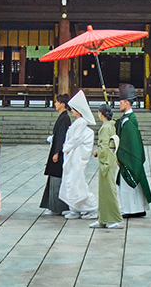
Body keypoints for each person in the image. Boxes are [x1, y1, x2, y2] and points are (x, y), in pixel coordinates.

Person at [114, 84, 151, 218]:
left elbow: (127, 143)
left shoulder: (129, 121)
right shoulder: (127, 119)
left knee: (127, 185)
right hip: (130, 157)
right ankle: (138, 208)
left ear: (126, 102)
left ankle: (130, 209)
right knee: (131, 185)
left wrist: (121, 156)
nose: (119, 104)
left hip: (128, 157)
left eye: (120, 102)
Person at [59, 91, 98, 219]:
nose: (72, 111)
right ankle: (75, 208)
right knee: (71, 182)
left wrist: (67, 147)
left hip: (76, 157)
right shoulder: (78, 122)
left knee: (77, 183)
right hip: (72, 156)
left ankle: (92, 207)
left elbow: (76, 138)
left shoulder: (81, 122)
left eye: (74, 109)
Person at [90, 105, 125, 229]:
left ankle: (115, 218)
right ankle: (103, 218)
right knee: (104, 191)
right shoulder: (111, 125)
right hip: (110, 159)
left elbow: (104, 146)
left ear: (101, 114)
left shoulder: (106, 128)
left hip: (107, 161)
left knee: (109, 190)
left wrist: (98, 153)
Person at [39, 94, 72, 215]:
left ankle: (57, 207)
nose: (55, 104)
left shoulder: (65, 118)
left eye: (57, 102)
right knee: (54, 177)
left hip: (59, 153)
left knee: (57, 178)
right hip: (57, 150)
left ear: (63, 104)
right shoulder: (63, 117)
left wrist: (57, 152)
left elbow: (62, 137)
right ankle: (52, 205)